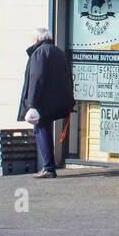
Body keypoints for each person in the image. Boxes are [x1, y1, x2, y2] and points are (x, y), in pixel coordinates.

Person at [18, 27, 74, 179]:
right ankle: (49, 166)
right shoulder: (58, 52)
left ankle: (48, 167)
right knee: (45, 129)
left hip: (43, 101)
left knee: (41, 129)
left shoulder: (39, 53)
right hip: (57, 99)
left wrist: (31, 104)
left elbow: (36, 79)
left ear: (37, 39)